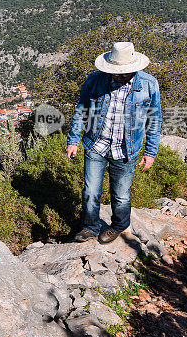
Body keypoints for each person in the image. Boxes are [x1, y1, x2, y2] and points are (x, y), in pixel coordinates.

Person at [66, 42, 163, 244]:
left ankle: (118, 225)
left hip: (127, 148)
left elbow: (154, 120)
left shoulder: (149, 84)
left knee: (121, 196)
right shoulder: (94, 81)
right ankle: (90, 227)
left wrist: (151, 152)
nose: (119, 76)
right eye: (116, 72)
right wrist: (73, 140)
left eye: (124, 72)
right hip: (96, 144)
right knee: (91, 191)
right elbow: (81, 111)